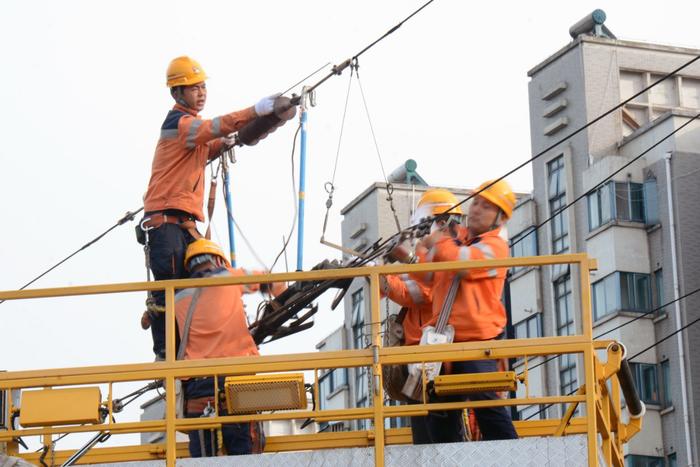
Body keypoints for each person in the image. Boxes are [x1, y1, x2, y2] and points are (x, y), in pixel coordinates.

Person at [140, 56, 281, 359]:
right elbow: (214, 128)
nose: (201, 93)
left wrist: (253, 130)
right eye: (194, 88)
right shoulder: (179, 124)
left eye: (203, 87)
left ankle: (197, 344)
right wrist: (254, 111)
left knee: (203, 279)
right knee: (170, 290)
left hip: (182, 224)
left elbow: (218, 139)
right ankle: (166, 353)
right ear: (177, 93)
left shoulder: (191, 132)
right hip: (165, 224)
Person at [398, 180, 519, 443]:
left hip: (477, 344)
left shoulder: (495, 247)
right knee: (440, 413)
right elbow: (427, 274)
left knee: (489, 410)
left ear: (499, 218)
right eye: (475, 202)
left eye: (486, 207)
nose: (476, 209)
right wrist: (416, 251)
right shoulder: (459, 242)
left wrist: (439, 242)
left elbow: (461, 263)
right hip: (445, 344)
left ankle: (513, 458)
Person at [175, 238, 284, 457]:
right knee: (242, 453)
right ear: (218, 260)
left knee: (203, 456)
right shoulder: (229, 277)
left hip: (198, 386)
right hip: (236, 377)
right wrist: (284, 299)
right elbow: (269, 280)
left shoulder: (176, 296)